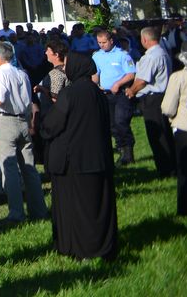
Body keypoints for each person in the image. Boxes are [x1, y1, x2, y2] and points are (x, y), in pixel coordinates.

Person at [43, 52, 119, 260]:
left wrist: (43, 124)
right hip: (98, 157)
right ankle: (103, 246)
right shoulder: (97, 93)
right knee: (98, 205)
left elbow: (52, 124)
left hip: (74, 160)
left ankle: (81, 248)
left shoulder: (70, 94)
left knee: (77, 207)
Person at [0, 40, 46, 223]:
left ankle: (16, 212)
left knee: (9, 167)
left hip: (5, 120)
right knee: (29, 167)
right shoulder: (21, 73)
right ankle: (38, 209)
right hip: (22, 119)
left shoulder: (0, 73)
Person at [126, 26, 176, 177]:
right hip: (162, 96)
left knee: (157, 134)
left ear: (144, 39)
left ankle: (165, 168)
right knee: (165, 132)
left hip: (153, 98)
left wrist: (131, 90)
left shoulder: (151, 57)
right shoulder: (162, 52)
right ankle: (171, 165)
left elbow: (142, 80)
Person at [160, 41, 187, 227]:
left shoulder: (179, 77)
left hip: (185, 128)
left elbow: (167, 107)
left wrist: (172, 117)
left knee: (186, 171)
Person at [90, 27, 136, 165]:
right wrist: (95, 85)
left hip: (120, 92)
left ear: (111, 41)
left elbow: (131, 74)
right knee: (111, 125)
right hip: (106, 94)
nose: (101, 45)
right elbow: (95, 74)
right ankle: (122, 150)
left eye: (104, 42)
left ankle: (128, 150)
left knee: (121, 120)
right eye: (99, 43)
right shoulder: (97, 56)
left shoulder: (122, 55)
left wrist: (118, 83)